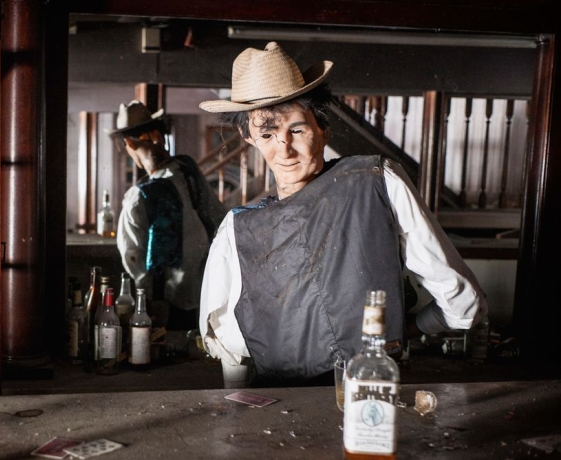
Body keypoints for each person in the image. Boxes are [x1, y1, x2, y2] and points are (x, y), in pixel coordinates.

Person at [198, 42, 488, 387]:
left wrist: (403, 334)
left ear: (323, 129)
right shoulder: (238, 227)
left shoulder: (376, 181)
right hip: (278, 403)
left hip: (367, 390)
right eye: (268, 134)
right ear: (249, 137)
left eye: (297, 129)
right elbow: (228, 345)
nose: (285, 148)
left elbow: (461, 300)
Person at [107, 100, 228, 330]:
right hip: (209, 290)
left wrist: (150, 301)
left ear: (128, 144)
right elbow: (218, 218)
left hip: (169, 302)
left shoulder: (138, 196)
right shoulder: (187, 170)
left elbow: (134, 260)